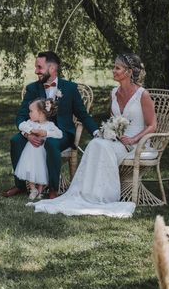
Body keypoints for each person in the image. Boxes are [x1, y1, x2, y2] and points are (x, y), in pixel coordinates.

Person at [31, 53, 156, 218]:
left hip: (137, 143)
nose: (113, 70)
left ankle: (103, 196)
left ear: (129, 71)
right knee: (96, 143)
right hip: (118, 140)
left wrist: (133, 139)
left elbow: (152, 125)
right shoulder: (114, 93)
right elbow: (114, 120)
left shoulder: (142, 94)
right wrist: (110, 132)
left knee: (102, 146)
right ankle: (88, 193)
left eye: (117, 68)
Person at [3, 51, 99, 199]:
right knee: (15, 141)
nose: (36, 71)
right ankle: (20, 185)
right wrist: (27, 134)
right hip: (35, 130)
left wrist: (96, 132)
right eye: (36, 67)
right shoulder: (32, 88)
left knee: (51, 144)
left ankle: (53, 188)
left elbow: (83, 115)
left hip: (61, 133)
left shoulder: (70, 88)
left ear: (52, 68)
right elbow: (21, 117)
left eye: (39, 67)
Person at [14, 98, 62, 200]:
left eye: (31, 111)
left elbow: (59, 134)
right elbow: (22, 125)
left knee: (41, 171)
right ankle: (33, 189)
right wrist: (30, 130)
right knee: (30, 169)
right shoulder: (30, 123)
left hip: (42, 153)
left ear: (40, 113)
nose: (29, 113)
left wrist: (46, 133)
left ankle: (40, 191)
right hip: (30, 153)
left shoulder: (49, 125)